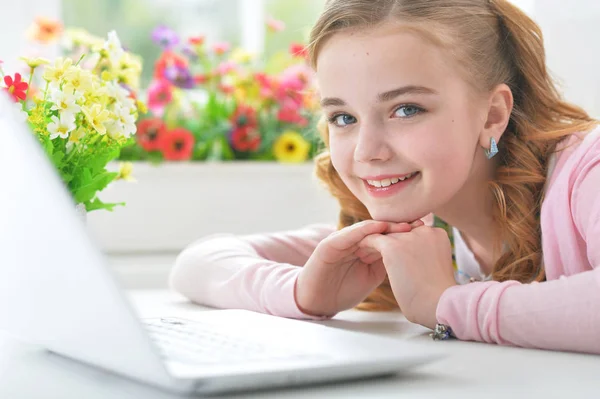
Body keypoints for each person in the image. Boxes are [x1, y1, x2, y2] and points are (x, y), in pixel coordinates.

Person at [169, 0, 600, 354]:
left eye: (406, 109)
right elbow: (199, 264)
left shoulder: (586, 170)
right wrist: (303, 291)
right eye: (343, 117)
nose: (366, 152)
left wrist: (446, 304)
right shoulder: (422, 220)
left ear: (492, 115)